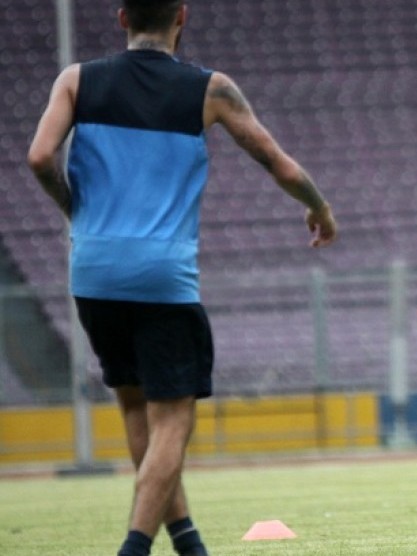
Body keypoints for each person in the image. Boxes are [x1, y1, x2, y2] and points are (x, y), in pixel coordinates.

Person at [27, 1, 337, 555]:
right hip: (161, 276)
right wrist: (319, 207)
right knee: (173, 421)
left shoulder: (76, 80)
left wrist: (74, 209)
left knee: (134, 409)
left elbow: (39, 157)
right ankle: (135, 547)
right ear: (182, 17)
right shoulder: (210, 90)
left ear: (122, 17)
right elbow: (277, 161)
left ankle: (188, 540)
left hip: (93, 270)